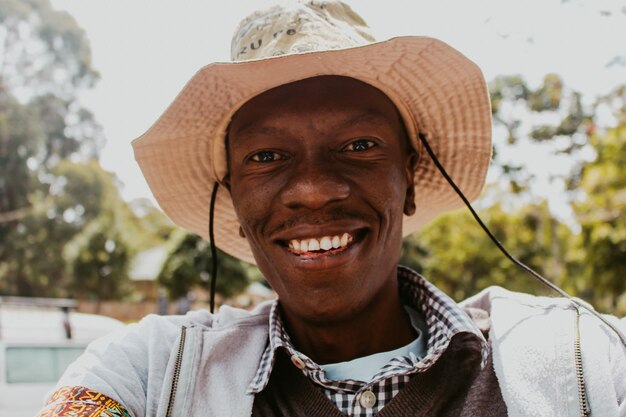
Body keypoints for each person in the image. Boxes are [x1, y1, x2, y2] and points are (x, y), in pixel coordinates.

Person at [37, 1, 625, 416]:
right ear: (235, 204)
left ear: (412, 179)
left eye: (359, 146)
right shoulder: (149, 373)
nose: (313, 189)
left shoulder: (584, 364)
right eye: (267, 156)